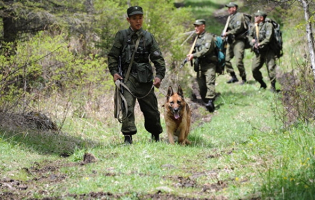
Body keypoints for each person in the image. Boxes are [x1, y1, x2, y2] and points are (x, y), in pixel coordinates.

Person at [108, 6, 166, 144]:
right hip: (127, 79)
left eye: (140, 17)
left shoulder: (148, 37)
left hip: (145, 79)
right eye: (134, 18)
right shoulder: (121, 36)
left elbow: (158, 58)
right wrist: (115, 73)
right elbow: (112, 56)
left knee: (151, 109)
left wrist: (159, 76)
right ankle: (128, 138)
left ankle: (155, 135)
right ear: (129, 20)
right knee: (127, 107)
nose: (138, 21)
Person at [187, 19, 217, 112]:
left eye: (198, 26)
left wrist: (194, 55)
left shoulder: (208, 37)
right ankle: (206, 102)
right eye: (195, 26)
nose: (196, 28)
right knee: (201, 87)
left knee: (210, 83)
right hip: (200, 66)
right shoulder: (196, 38)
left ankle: (211, 103)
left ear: (203, 26)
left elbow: (206, 50)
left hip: (209, 65)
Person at [248, 10, 277, 92]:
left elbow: (268, 38)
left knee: (271, 68)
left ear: (261, 18)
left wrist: (260, 44)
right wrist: (252, 41)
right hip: (259, 52)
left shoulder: (268, 25)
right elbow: (249, 36)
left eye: (256, 16)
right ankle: (262, 84)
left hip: (269, 50)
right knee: (254, 69)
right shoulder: (255, 26)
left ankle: (273, 87)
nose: (255, 17)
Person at [222, 2, 248, 84]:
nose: (228, 9)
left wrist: (227, 33)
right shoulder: (230, 17)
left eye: (230, 8)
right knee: (226, 59)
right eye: (228, 8)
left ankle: (243, 78)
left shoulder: (239, 16)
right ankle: (233, 76)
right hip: (231, 41)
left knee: (238, 61)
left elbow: (238, 28)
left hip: (239, 41)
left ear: (235, 8)